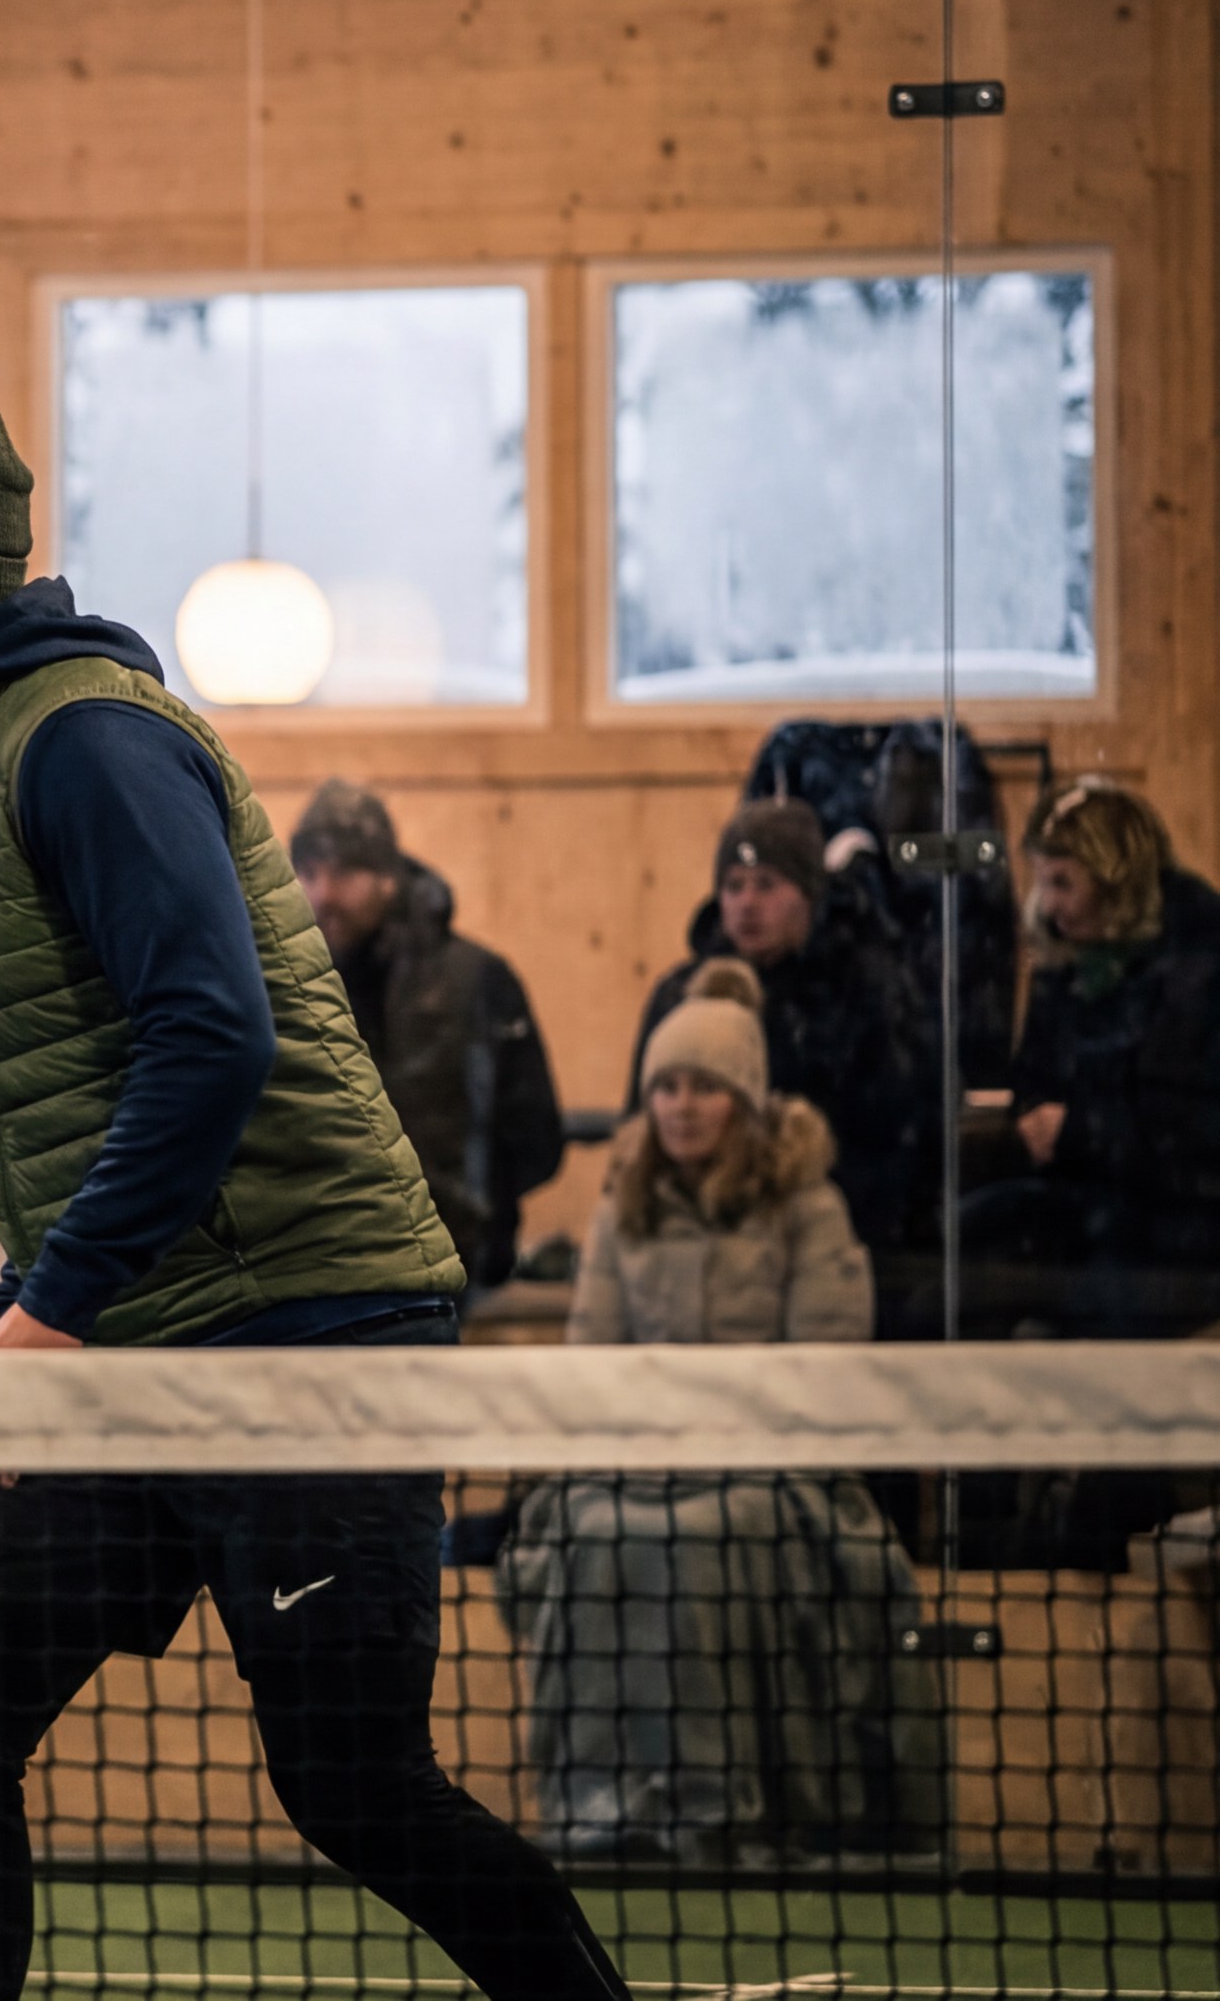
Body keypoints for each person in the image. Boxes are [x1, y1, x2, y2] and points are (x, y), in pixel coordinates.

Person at [0, 396, 629, 2001]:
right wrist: (50, 1306)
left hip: (304, 1336)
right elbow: (71, 1099)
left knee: (350, 1782)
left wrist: (50, 1307)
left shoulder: (90, 739)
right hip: (123, 1348)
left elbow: (212, 1036)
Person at [500, 961, 939, 1865]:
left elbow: (826, 1368)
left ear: (744, 1100)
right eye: (666, 1086)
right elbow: (595, 1369)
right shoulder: (624, 1212)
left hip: (779, 1476)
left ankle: (726, 1808)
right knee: (588, 1529)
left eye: (704, 1087)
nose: (683, 1105)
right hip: (640, 1469)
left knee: (714, 1534)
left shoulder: (810, 1208)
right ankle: (602, 1808)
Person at [627, 802, 936, 1269]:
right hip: (699, 1239)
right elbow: (642, 1127)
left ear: (810, 895)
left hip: (834, 1233)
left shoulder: (867, 989)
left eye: (767, 885)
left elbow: (898, 1134)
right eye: (733, 886)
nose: (747, 902)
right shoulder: (682, 997)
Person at [288, 780, 570, 1286]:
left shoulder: (476, 979)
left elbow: (534, 1136)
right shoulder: (281, 984)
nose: (324, 893)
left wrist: (478, 1211)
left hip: (454, 1266)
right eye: (308, 873)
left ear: (388, 879)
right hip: (316, 1272)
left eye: (346, 872)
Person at [990, 779, 1220, 1341]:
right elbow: (1030, 1077)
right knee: (957, 1252)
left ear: (1115, 881)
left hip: (1178, 1226)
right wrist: (1035, 1119)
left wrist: (1078, 1134)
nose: (1050, 904)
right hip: (1080, 1199)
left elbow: (1195, 1138)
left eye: (1064, 883)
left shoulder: (1199, 972)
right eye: (1043, 884)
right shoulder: (1066, 963)